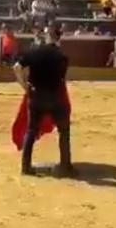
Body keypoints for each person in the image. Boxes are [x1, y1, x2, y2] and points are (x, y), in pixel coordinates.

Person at [12, 26, 74, 176]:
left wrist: (24, 86)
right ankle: (65, 166)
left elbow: (16, 67)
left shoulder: (34, 52)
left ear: (47, 37)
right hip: (55, 98)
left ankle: (26, 167)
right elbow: (62, 80)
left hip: (36, 96)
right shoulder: (62, 56)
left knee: (31, 130)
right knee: (64, 131)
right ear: (58, 38)